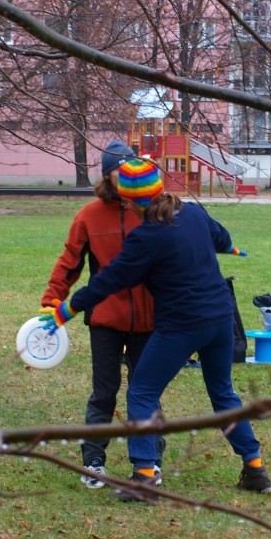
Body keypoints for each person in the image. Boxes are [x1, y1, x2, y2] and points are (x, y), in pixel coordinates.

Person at [41, 158, 271, 503]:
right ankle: (255, 469)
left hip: (182, 325)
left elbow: (109, 280)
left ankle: (144, 478)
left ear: (130, 200)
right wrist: (228, 248)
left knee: (141, 392)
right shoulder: (193, 214)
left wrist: (67, 309)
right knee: (224, 394)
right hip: (221, 319)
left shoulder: (145, 236)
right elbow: (221, 237)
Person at [41, 140, 164, 489]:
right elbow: (70, 262)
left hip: (149, 319)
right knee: (104, 392)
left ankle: (152, 461)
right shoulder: (89, 216)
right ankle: (93, 461)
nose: (125, 176)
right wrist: (52, 300)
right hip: (105, 319)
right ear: (107, 175)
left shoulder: (152, 212)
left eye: (130, 168)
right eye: (118, 171)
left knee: (146, 391)